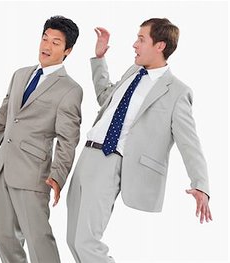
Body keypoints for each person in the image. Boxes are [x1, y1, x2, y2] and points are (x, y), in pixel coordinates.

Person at [66, 18, 212, 263]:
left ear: (160, 46)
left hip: (110, 159)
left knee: (87, 242)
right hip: (87, 156)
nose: (134, 45)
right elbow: (106, 98)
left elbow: (190, 142)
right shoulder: (133, 72)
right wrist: (99, 59)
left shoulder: (176, 91)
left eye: (141, 39)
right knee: (73, 240)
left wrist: (201, 183)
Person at [0, 16, 82, 263]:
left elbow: (68, 141)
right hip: (3, 169)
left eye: (55, 42)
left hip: (33, 175)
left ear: (68, 50)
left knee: (39, 240)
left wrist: (58, 177)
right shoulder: (20, 74)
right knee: (5, 239)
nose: (46, 46)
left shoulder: (70, 89)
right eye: (44, 38)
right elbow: (4, 118)